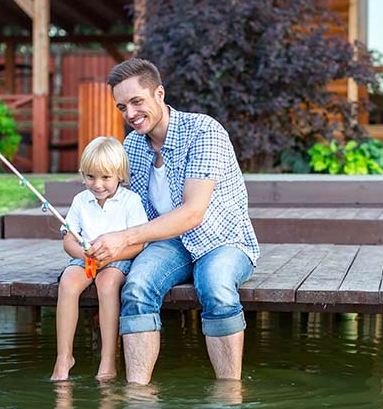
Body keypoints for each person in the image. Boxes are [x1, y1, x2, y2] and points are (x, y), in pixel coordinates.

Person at [87, 58, 260, 385]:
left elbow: (193, 213)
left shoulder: (204, 131)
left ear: (159, 94)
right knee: (136, 288)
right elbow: (122, 206)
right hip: (168, 243)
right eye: (122, 106)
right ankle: (138, 401)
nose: (130, 114)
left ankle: (228, 395)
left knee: (216, 286)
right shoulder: (132, 146)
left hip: (221, 239)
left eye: (137, 102)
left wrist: (123, 238)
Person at [51, 136, 148, 381]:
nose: (97, 184)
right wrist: (82, 254)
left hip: (118, 259)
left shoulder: (130, 201)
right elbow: (68, 240)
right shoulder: (80, 201)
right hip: (86, 259)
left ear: (120, 176)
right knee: (68, 283)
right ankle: (64, 357)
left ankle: (107, 358)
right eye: (91, 176)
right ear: (83, 174)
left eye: (106, 177)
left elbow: (139, 243)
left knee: (107, 285)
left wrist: (113, 255)